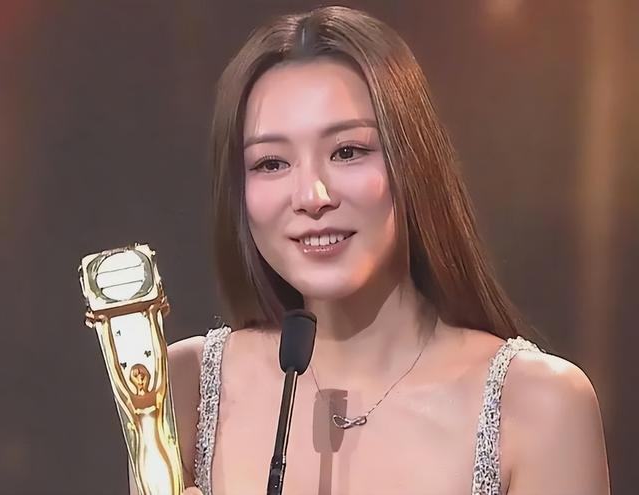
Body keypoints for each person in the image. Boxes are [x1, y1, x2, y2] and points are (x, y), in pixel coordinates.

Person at [131, 5, 610, 495]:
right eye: (271, 163)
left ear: (413, 162)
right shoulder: (182, 387)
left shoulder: (538, 408)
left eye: (347, 152)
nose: (312, 196)